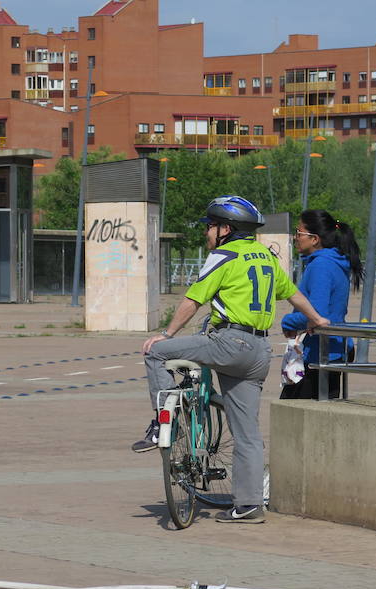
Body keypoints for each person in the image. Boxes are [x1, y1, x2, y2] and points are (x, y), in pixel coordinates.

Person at [132, 195, 329, 524]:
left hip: (229, 342)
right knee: (247, 434)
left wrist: (166, 334)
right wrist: (317, 319)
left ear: (227, 229)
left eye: (210, 226)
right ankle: (249, 506)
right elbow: (292, 293)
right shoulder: (265, 257)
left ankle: (164, 426)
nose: (207, 232)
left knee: (155, 352)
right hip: (259, 351)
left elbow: (194, 300)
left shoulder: (222, 255)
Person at [280, 210, 363, 400]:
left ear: (314, 239)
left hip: (321, 352)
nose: (295, 237)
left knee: (293, 415)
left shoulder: (321, 265)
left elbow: (316, 313)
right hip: (333, 348)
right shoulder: (334, 261)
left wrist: (288, 322)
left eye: (299, 232)